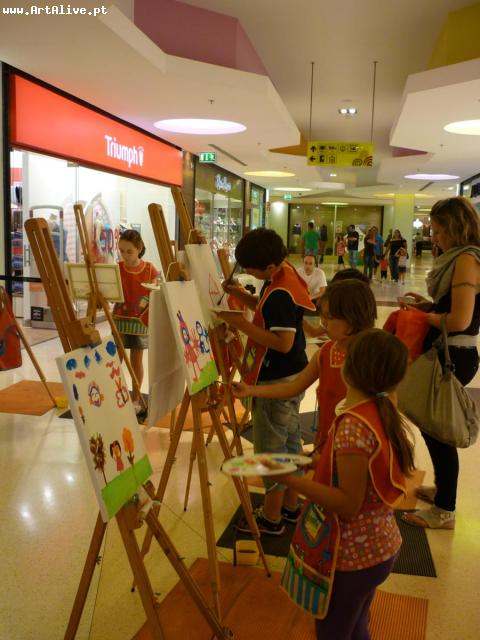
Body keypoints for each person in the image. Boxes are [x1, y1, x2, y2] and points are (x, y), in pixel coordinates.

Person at [236, 329, 414, 639]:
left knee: (334, 631)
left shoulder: (353, 426)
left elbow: (347, 504)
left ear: (350, 369)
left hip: (353, 556)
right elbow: (360, 470)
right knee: (356, 625)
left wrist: (288, 479)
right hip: (379, 546)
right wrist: (316, 461)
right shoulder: (379, 410)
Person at [217, 228, 316, 535]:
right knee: (290, 444)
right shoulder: (285, 274)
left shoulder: (280, 293)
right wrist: (239, 295)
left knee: (271, 452)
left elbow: (283, 342)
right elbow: (265, 308)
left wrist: (241, 325)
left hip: (277, 379)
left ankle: (271, 518)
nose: (248, 273)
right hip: (292, 374)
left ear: (269, 266)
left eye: (251, 269)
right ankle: (290, 506)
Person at [401, 197, 480, 530]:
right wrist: (430, 307)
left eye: (437, 230)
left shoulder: (466, 259)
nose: (433, 237)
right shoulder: (461, 258)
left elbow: (460, 319)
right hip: (451, 352)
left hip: (453, 355)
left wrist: (427, 317)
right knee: (433, 426)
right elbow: (453, 308)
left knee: (439, 430)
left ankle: (445, 509)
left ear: (454, 228)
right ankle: (443, 491)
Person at [234, 279, 377, 451]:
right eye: (323, 316)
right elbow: (293, 387)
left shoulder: (375, 356)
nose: (323, 323)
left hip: (359, 446)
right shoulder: (326, 352)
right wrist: (251, 390)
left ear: (352, 319)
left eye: (329, 317)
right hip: (326, 442)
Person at [113, 229, 158, 412]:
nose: (125, 255)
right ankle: (113, 394)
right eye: (122, 251)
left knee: (136, 360)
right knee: (116, 359)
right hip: (119, 318)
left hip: (140, 320)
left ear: (139, 249)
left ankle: (136, 399)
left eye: (129, 251)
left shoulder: (150, 269)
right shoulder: (116, 268)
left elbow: (156, 291)